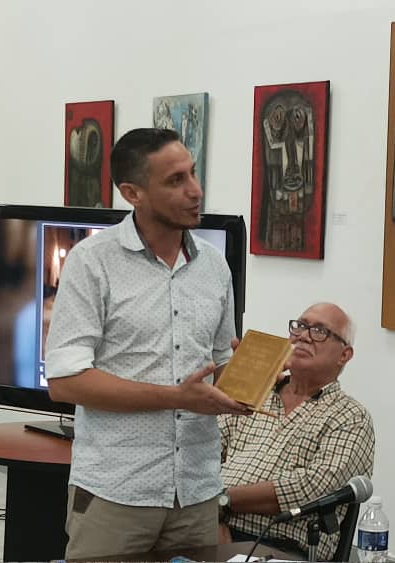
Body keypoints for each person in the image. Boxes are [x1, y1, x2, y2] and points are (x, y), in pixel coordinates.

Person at [44, 128, 250, 559]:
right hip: (116, 492)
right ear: (132, 192)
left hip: (196, 493)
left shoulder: (214, 268)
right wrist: (176, 397)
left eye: (193, 174)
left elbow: (218, 369)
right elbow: (65, 382)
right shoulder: (92, 263)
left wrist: (250, 380)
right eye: (175, 181)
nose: (195, 191)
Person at [217, 303, 375, 561]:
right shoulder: (255, 394)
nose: (303, 335)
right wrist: (213, 514)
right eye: (300, 326)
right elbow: (204, 455)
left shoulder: (350, 416)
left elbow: (311, 488)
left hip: (281, 545)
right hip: (212, 525)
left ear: (344, 355)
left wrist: (221, 500)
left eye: (319, 331)